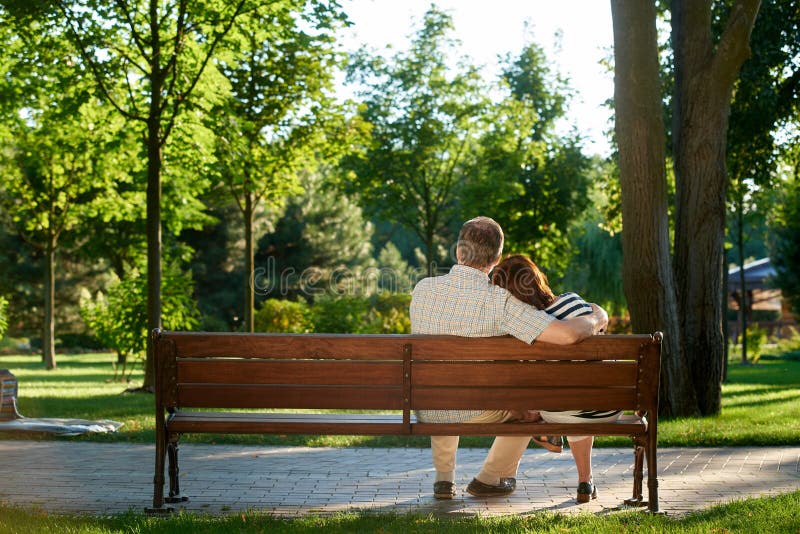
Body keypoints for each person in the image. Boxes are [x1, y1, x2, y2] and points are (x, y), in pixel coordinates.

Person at [409, 216, 608, 500]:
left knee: (442, 384)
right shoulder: (500, 301)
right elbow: (566, 336)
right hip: (479, 410)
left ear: (458, 251)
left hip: (430, 405)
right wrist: (598, 316)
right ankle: (491, 477)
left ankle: (444, 480)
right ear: (497, 257)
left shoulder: (423, 290)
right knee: (529, 411)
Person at [491, 254, 622, 503]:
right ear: (537, 278)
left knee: (563, 402)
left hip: (560, 411)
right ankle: (586, 480)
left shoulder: (525, 328)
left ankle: (547, 433)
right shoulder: (574, 301)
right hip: (609, 406)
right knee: (580, 392)